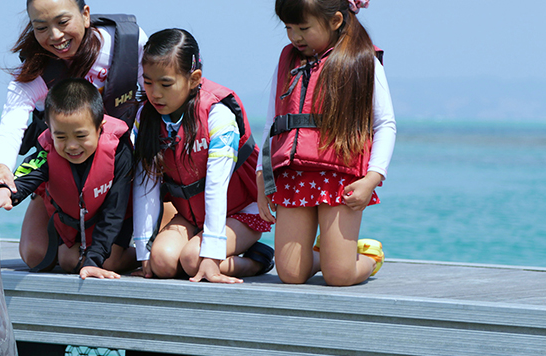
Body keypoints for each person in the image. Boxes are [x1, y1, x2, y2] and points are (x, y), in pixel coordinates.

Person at [0, 0, 148, 269]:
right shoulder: (34, 74)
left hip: (120, 167)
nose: (55, 36)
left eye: (62, 22)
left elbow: (156, 99)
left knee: (121, 259)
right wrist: (3, 168)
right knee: (36, 255)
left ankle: (160, 219)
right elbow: (11, 126)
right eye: (41, 27)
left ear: (85, 15)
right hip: (63, 166)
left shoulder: (128, 45)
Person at [257, 0, 396, 286]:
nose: (295, 36)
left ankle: (367, 258)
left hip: (340, 179)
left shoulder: (362, 60)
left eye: (303, 28)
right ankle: (327, 255)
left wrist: (372, 177)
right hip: (294, 176)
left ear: (334, 21)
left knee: (340, 276)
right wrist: (263, 177)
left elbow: (385, 125)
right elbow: (273, 123)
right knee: (291, 274)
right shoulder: (288, 61)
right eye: (288, 28)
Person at [132, 28, 275, 284]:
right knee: (161, 262)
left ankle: (256, 259)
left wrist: (212, 253)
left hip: (240, 211)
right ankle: (201, 250)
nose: (154, 93)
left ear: (195, 78)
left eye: (166, 84)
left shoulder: (218, 117)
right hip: (191, 214)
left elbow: (216, 186)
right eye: (148, 82)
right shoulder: (146, 118)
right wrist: (144, 250)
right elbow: (146, 184)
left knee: (191, 260)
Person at [0, 78, 136, 280]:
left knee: (106, 261)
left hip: (114, 218)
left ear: (100, 126)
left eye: (81, 136)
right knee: (66, 261)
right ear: (49, 129)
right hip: (75, 218)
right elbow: (29, 171)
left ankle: (139, 255)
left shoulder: (119, 151)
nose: (72, 146)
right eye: (61, 137)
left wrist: (94, 261)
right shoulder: (49, 147)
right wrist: (5, 192)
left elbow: (114, 212)